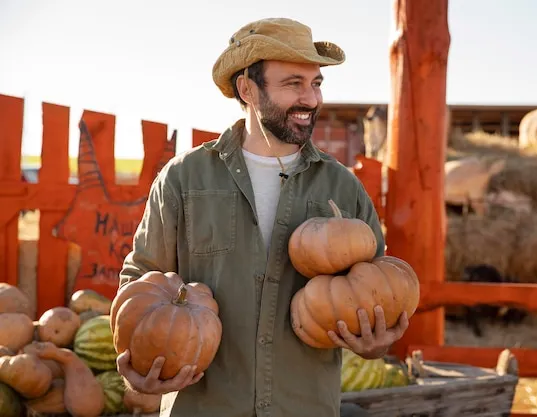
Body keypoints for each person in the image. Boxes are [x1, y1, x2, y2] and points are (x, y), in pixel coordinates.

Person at [115, 17, 410, 417]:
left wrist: (378, 341)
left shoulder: (341, 187)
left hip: (305, 407)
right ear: (248, 89)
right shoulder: (185, 178)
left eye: (316, 83)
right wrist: (137, 362)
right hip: (204, 407)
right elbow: (142, 279)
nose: (311, 99)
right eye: (293, 84)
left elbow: (377, 288)